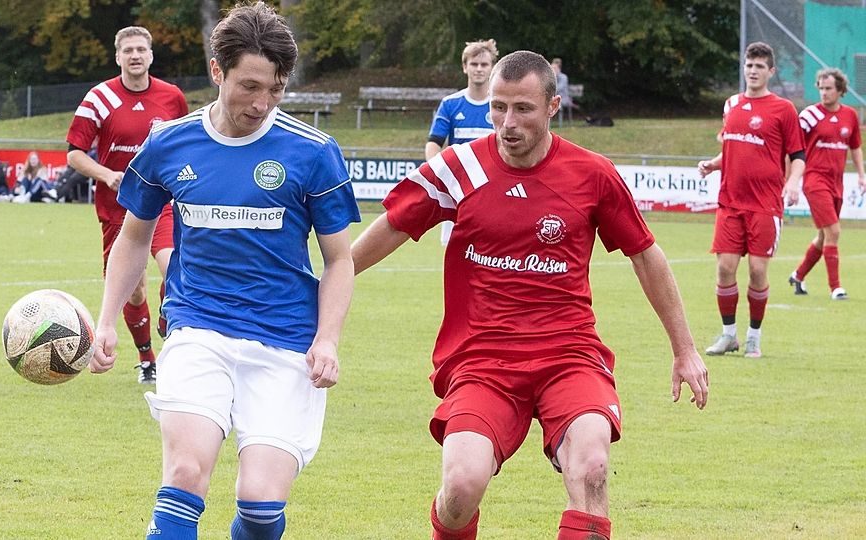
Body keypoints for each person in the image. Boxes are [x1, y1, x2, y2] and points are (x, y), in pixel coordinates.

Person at [352, 50, 708, 540]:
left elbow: (646, 256)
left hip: (569, 354)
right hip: (483, 358)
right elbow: (392, 226)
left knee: (592, 468)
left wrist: (685, 350)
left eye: (523, 109)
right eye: (498, 108)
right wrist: (325, 287)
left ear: (553, 106)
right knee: (460, 488)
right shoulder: (461, 168)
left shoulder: (592, 174)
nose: (507, 123)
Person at [88, 2, 360, 539]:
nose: (261, 104)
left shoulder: (313, 152)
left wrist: (327, 339)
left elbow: (339, 259)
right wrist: (106, 320)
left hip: (285, 339)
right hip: (197, 328)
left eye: (275, 89)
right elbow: (134, 237)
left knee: (260, 504)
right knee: (185, 473)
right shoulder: (170, 143)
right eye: (249, 86)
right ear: (218, 71)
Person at [66, 25, 188, 384]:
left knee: (174, 266)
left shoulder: (172, 97)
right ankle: (147, 358)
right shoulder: (99, 97)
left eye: (141, 49)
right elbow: (74, 154)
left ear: (150, 55)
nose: (135, 55)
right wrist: (107, 175)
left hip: (162, 201)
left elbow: (183, 144)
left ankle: (170, 323)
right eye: (128, 50)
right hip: (117, 206)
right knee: (133, 290)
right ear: (118, 56)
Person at [698, 41, 805, 359]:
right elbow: (733, 147)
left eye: (759, 66)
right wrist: (713, 164)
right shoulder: (731, 104)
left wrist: (793, 182)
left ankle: (753, 338)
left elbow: (798, 155)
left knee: (758, 271)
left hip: (765, 204)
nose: (753, 71)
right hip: (730, 202)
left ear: (771, 71)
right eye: (749, 65)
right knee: (725, 268)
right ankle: (729, 335)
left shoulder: (783, 109)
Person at [789, 67, 865, 300]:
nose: (824, 92)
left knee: (824, 237)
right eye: (821, 88)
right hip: (815, 180)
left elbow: (855, 147)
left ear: (840, 90)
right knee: (834, 231)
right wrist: (790, 179)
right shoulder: (810, 115)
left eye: (829, 88)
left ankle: (798, 276)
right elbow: (792, 146)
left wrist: (861, 175)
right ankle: (836, 288)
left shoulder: (850, 115)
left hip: (837, 184)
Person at [426, 39, 498, 246]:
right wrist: (439, 171)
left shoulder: (500, 105)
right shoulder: (450, 104)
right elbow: (434, 143)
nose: (479, 69)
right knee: (454, 247)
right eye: (474, 64)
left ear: (492, 68)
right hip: (459, 189)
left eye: (484, 64)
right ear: (465, 67)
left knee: (492, 248)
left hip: (493, 187)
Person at [551, 57, 571, 123]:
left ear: (558, 69)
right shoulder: (551, 77)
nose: (552, 70)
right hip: (554, 98)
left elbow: (559, 88)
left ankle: (559, 123)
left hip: (564, 98)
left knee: (554, 102)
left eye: (554, 68)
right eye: (551, 68)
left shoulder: (563, 77)